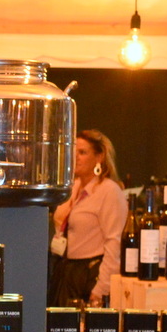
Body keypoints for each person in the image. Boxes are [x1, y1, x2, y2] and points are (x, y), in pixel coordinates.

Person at [48, 129, 128, 307]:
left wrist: (101, 289)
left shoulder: (109, 191)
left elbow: (114, 245)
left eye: (82, 152)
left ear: (99, 157)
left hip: (90, 275)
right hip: (65, 271)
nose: (75, 157)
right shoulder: (72, 188)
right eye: (73, 151)